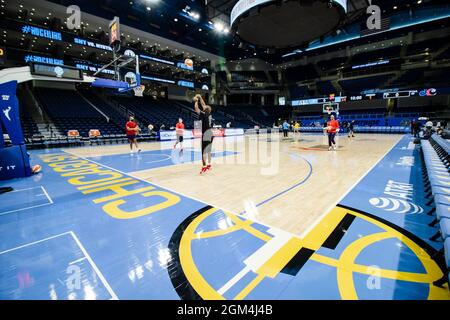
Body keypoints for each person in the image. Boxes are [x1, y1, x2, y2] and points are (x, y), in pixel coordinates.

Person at [194, 94, 213, 174]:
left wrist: (196, 101)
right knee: (208, 151)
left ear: (205, 109)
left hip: (205, 134)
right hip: (210, 134)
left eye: (205, 107)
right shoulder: (209, 114)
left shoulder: (203, 114)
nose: (204, 106)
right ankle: (209, 164)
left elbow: (196, 109)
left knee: (203, 152)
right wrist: (200, 97)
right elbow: (203, 104)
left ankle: (204, 166)